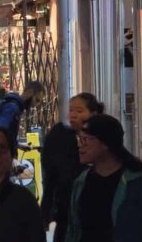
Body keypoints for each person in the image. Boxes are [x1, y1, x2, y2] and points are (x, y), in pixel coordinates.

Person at [65, 114, 142, 242]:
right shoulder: (81, 182)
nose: (79, 145)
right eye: (79, 138)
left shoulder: (139, 182)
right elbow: (73, 230)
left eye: (85, 139)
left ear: (105, 143)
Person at [42, 93, 103, 242]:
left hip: (94, 211)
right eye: (71, 110)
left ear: (93, 114)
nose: (73, 115)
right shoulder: (59, 136)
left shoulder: (102, 137)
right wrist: (46, 211)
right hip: (65, 211)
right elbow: (51, 177)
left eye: (79, 111)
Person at [0, 80, 45, 146]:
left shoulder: (16, 107)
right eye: (37, 100)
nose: (36, 105)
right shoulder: (13, 107)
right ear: (30, 92)